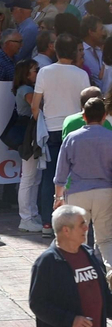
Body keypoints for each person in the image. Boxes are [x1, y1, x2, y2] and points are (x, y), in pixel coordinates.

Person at [33, 33, 92, 232]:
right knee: (74, 178)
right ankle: (71, 223)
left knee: (50, 176)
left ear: (56, 50)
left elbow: (35, 105)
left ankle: (47, 223)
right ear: (74, 52)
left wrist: (40, 122)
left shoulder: (44, 72)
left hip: (51, 129)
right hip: (76, 130)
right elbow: (87, 105)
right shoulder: (81, 74)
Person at [52, 96, 112, 247]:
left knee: (79, 238)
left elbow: (61, 171)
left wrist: (58, 196)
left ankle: (81, 268)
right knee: (105, 239)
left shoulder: (72, 138)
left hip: (77, 192)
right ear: (104, 116)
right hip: (105, 192)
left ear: (83, 116)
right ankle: (109, 267)